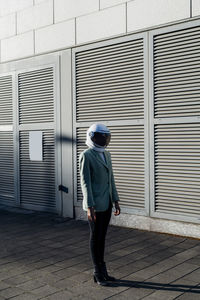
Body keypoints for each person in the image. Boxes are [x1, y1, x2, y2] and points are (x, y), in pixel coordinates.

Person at [79, 123, 121, 286]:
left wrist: (116, 200)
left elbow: (111, 179)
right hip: (95, 205)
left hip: (107, 203)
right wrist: (90, 206)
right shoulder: (87, 155)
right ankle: (97, 273)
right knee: (95, 237)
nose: (104, 140)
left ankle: (104, 271)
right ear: (91, 137)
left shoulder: (107, 154)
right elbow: (85, 182)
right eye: (100, 137)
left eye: (105, 137)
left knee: (102, 238)